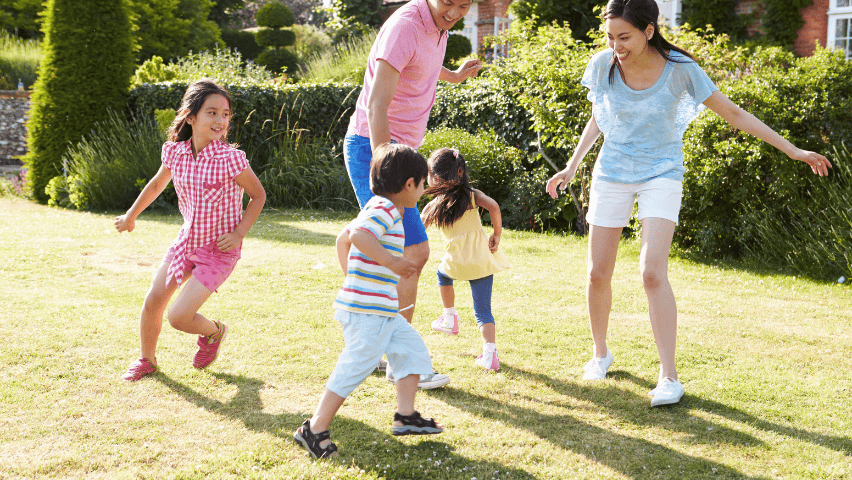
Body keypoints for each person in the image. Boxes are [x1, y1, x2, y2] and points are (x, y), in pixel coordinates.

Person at [545, 0, 831, 407]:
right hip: (612, 173)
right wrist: (572, 167)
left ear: (647, 31)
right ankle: (600, 353)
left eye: (624, 37)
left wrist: (793, 151)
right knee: (596, 273)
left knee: (651, 272)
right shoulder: (602, 65)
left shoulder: (681, 69)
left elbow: (732, 112)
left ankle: (668, 378)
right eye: (609, 37)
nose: (615, 46)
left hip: (662, 172)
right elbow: (600, 115)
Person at [343, 0, 483, 387]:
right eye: (449, 3)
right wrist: (387, 168)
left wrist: (453, 76)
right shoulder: (406, 25)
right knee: (411, 251)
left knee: (396, 252)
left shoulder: (437, 25)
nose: (455, 12)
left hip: (401, 155)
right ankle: (400, 358)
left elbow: (420, 65)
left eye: (464, 5)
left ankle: (374, 348)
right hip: (375, 151)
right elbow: (376, 104)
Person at [293, 143, 444, 459]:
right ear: (408, 185)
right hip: (367, 310)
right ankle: (314, 428)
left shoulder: (382, 207)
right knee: (356, 365)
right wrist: (391, 262)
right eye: (422, 183)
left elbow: (343, 239)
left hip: (381, 307)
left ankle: (406, 416)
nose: (424, 189)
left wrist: (353, 278)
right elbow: (359, 236)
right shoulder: (385, 208)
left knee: (411, 349)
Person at [115, 80, 266, 381]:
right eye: (212, 113)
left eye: (225, 114)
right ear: (191, 117)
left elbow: (258, 195)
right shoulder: (175, 152)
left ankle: (214, 332)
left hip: (219, 251)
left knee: (179, 317)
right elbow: (157, 184)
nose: (221, 120)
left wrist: (238, 234)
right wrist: (132, 215)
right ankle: (147, 360)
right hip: (186, 244)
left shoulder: (231, 159)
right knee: (154, 300)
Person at [421, 148, 509, 371]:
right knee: (483, 311)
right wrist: (496, 234)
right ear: (461, 172)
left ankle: (449, 317)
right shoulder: (473, 195)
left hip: (455, 264)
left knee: (442, 274)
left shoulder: (434, 205)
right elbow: (495, 207)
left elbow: (420, 227)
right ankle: (490, 354)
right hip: (481, 262)